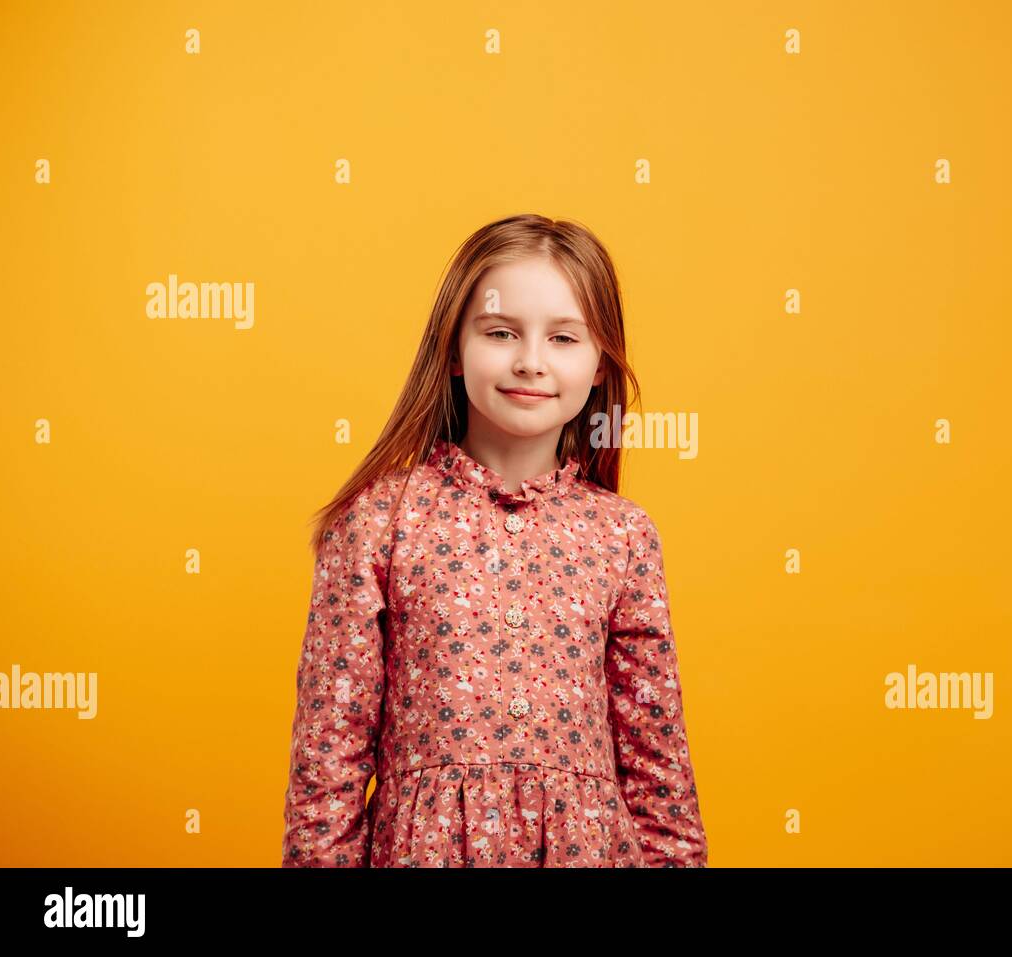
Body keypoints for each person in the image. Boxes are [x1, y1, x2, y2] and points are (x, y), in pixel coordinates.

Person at [281, 214, 707, 867]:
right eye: (501, 332)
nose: (530, 361)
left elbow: (660, 776)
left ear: (600, 365)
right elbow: (326, 771)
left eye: (564, 337)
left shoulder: (623, 536)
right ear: (453, 349)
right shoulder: (378, 522)